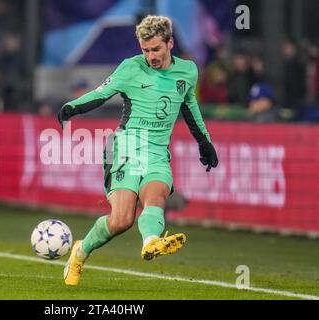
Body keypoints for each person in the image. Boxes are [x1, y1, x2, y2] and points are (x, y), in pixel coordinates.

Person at [57, 15, 218, 286]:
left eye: (156, 49)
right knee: (121, 220)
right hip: (125, 148)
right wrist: (72, 107)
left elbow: (190, 107)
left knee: (155, 196)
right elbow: (100, 93)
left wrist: (205, 142)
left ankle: (151, 241)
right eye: (146, 50)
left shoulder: (188, 71)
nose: (151, 56)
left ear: (170, 43)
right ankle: (80, 251)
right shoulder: (131, 68)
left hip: (156, 151)